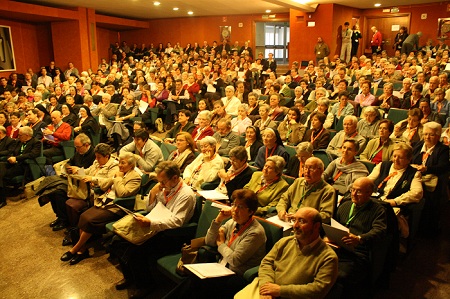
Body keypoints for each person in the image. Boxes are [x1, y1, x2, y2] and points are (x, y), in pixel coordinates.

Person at [114, 161, 196, 298]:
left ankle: (146, 284)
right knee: (118, 239)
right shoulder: (165, 188)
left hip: (172, 235)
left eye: (163, 182)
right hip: (157, 226)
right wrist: (153, 193)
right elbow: (150, 209)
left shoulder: (186, 194)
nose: (161, 185)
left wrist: (150, 222)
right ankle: (130, 277)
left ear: (175, 178)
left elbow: (177, 221)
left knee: (136, 249)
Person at [235, 207, 338, 299]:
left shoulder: (328, 257)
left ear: (316, 226)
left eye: (302, 221)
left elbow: (318, 290)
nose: (295, 225)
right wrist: (266, 287)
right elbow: (266, 263)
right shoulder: (284, 242)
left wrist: (280, 290)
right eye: (294, 220)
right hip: (267, 288)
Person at [60, 152, 141, 265]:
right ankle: (81, 251)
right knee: (83, 216)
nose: (120, 165)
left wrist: (118, 179)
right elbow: (104, 184)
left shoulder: (135, 177)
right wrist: (100, 180)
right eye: (120, 162)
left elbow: (123, 193)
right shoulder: (119, 172)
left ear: (131, 165)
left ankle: (75, 249)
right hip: (104, 201)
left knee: (88, 220)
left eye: (123, 163)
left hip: (116, 207)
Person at [185, 189, 266, 299]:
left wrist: (221, 244)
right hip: (221, 266)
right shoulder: (233, 222)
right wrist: (218, 220)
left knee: (197, 285)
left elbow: (235, 260)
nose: (235, 210)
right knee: (192, 279)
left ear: (250, 211)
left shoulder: (255, 233)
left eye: (240, 207)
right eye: (234, 205)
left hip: (237, 274)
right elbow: (209, 241)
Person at [333, 177, 387, 299]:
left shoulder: (378, 210)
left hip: (357, 252)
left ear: (369, 193)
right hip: (338, 246)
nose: (354, 194)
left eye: (359, 191)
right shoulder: (345, 205)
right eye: (352, 190)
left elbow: (380, 230)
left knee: (339, 275)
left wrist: (359, 238)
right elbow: (334, 223)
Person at [367, 143, 423, 237]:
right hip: (375, 199)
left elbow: (417, 192)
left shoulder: (414, 173)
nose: (396, 160)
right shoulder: (382, 165)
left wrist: (395, 201)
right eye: (394, 156)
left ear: (408, 160)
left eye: (400, 157)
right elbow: (369, 180)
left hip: (392, 206)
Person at [411, 122, 449, 233]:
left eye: (431, 135)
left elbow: (443, 167)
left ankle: (427, 229)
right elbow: (410, 159)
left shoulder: (443, 150)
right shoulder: (417, 145)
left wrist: (426, 169)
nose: (427, 137)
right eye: (425, 134)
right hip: (416, 178)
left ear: (438, 136)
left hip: (432, 181)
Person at [277, 157, 335, 223]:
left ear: (321, 171)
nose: (307, 171)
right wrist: (281, 210)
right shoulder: (298, 182)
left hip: (307, 226)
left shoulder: (328, 190)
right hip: (288, 220)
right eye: (305, 167)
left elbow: (326, 216)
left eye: (311, 168)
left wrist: (301, 217)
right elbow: (284, 199)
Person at [0, 127, 41, 208]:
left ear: (27, 135)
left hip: (24, 165)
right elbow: (12, 152)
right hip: (14, 163)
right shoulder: (19, 142)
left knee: (1, 173)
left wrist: (17, 158)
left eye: (20, 135)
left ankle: (2, 199)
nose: (18, 136)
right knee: (1, 166)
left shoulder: (36, 143)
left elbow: (32, 154)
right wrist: (11, 158)